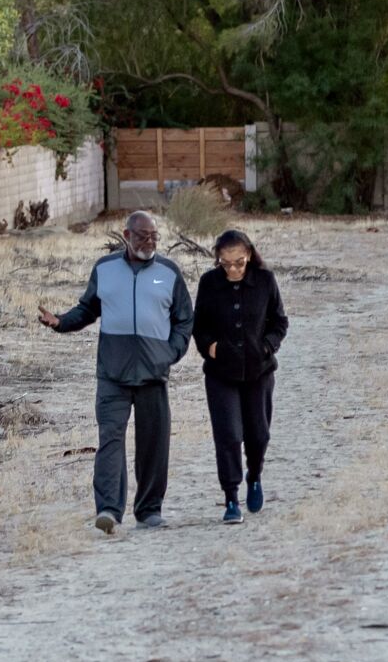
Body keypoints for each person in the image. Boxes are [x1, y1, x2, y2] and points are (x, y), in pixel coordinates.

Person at [38, 210, 193, 535]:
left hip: (153, 372)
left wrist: (172, 352)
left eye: (153, 236)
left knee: (154, 444)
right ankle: (108, 509)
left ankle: (149, 511)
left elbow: (183, 319)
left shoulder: (169, 272)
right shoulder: (105, 269)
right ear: (126, 235)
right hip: (112, 371)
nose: (148, 242)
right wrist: (61, 322)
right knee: (110, 440)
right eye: (142, 236)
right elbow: (88, 309)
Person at [192, 228, 288, 525]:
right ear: (218, 260)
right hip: (221, 374)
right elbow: (199, 325)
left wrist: (268, 345)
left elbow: (280, 321)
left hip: (259, 372)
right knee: (229, 436)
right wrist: (211, 347)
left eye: (239, 263)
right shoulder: (209, 283)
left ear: (249, 256)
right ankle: (231, 497)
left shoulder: (265, 281)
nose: (233, 269)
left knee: (258, 434)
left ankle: (254, 475)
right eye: (226, 263)